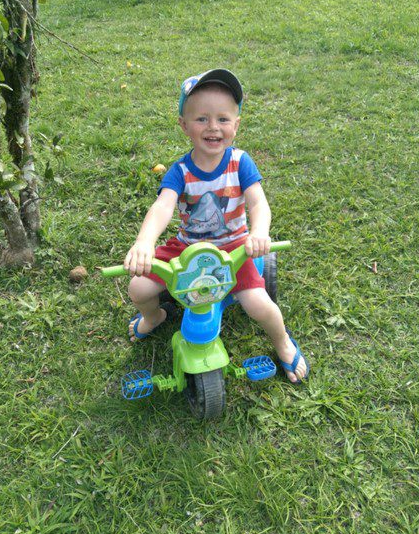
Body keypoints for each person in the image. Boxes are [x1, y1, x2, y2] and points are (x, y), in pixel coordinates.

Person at [121, 69, 309, 384]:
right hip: (186, 248)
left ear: (236, 125)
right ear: (183, 125)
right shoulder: (180, 171)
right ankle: (156, 316)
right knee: (138, 288)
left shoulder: (240, 162)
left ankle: (283, 342)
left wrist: (259, 232)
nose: (213, 127)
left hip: (234, 248)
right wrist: (143, 242)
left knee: (260, 305)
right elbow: (163, 206)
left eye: (223, 119)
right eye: (202, 119)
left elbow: (258, 203)